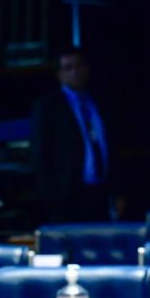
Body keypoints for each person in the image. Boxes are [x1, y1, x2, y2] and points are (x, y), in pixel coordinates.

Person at [29, 48, 120, 222]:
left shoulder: (100, 101)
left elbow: (112, 147)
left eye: (79, 66)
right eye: (68, 68)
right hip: (68, 193)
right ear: (59, 74)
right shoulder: (48, 106)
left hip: (100, 190)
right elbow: (40, 153)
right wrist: (52, 196)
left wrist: (118, 190)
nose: (75, 72)